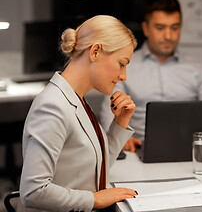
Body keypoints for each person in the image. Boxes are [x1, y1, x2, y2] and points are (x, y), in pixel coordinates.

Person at [19, 15, 139, 211]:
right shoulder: (53, 106)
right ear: (95, 51)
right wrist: (94, 200)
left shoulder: (77, 100)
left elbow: (97, 169)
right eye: (121, 63)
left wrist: (120, 123)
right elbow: (33, 191)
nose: (123, 76)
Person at [100, 0, 202, 151]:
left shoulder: (197, 68)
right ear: (146, 28)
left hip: (188, 150)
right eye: (160, 28)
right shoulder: (125, 66)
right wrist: (119, 137)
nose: (168, 36)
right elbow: (109, 114)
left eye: (174, 27)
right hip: (138, 149)